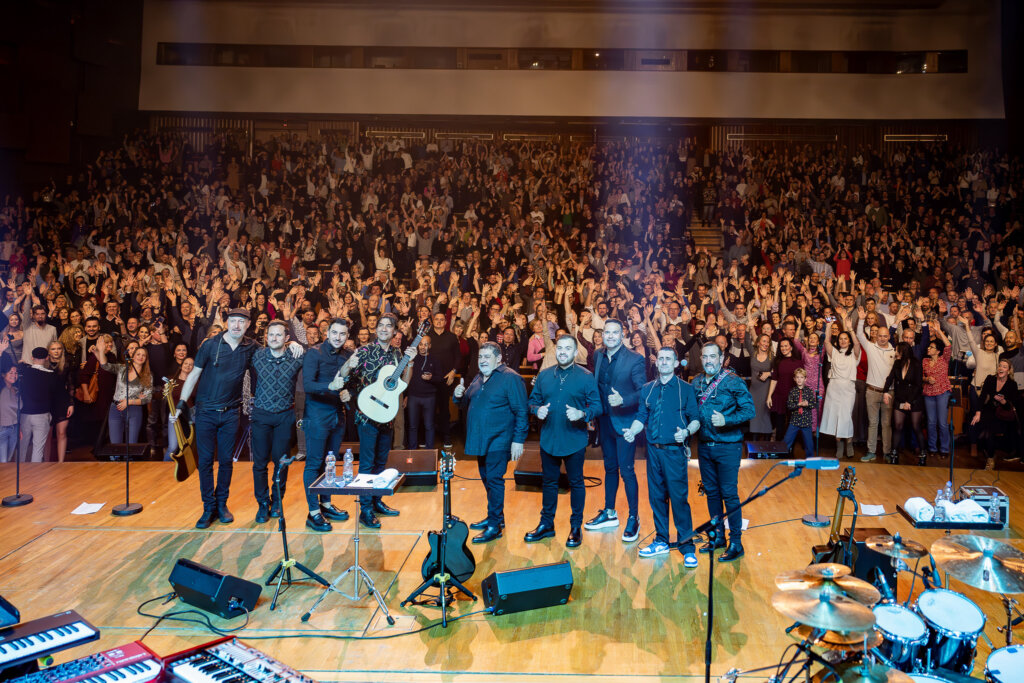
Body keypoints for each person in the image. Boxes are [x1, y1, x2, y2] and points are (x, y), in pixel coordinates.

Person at [172, 308, 303, 529]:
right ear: (226, 322)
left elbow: (275, 346)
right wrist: (182, 403)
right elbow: (194, 373)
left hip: (231, 412)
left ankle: (222, 505)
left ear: (248, 325)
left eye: (241, 322)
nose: (236, 325)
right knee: (204, 463)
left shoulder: (250, 347)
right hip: (205, 412)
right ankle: (208, 508)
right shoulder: (210, 345)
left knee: (226, 462)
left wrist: (293, 344)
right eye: (232, 321)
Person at [623, 347, 702, 566]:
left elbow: (695, 419)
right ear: (656, 363)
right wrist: (632, 430)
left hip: (674, 453)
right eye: (661, 359)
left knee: (678, 499)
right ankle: (661, 540)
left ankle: (687, 546)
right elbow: (641, 417)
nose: (664, 362)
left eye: (669, 359)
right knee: (657, 498)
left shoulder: (685, 389)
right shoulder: (647, 389)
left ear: (676, 363)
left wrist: (686, 432)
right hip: (653, 452)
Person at [525, 335, 602, 548]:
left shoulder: (586, 377)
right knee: (549, 483)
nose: (563, 352)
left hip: (574, 440)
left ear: (575, 352)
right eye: (560, 348)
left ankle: (575, 526)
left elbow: (597, 406)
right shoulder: (544, 376)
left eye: (568, 348)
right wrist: (536, 410)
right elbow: (532, 401)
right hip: (548, 439)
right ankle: (546, 524)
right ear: (555, 350)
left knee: (576, 483)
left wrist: (583, 414)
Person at [340, 313, 416, 529]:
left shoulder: (396, 353)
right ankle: (365, 509)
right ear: (376, 330)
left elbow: (402, 384)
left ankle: (376, 501)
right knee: (366, 463)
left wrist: (409, 364)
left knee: (381, 463)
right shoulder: (364, 351)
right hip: (366, 414)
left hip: (387, 416)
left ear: (394, 332)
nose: (384, 329)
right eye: (380, 325)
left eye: (388, 326)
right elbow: (347, 376)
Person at [453, 341, 528, 543]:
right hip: (481, 439)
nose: (483, 360)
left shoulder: (511, 378)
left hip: (500, 439)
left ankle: (494, 526)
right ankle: (496, 517)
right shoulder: (478, 378)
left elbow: (522, 411)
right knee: (487, 479)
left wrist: (518, 441)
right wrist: (457, 395)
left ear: (498, 359)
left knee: (494, 480)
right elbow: (465, 402)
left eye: (487, 357)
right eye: (480, 357)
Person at [692, 342, 755, 562]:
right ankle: (718, 536)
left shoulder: (733, 381)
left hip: (728, 446)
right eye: (705, 357)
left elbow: (749, 410)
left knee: (729, 494)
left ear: (721, 359)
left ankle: (736, 542)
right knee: (712, 493)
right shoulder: (696, 382)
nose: (709, 360)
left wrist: (727, 420)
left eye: (713, 357)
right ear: (701, 359)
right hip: (704, 446)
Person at [585, 318, 646, 543]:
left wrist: (624, 399)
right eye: (606, 333)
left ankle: (634, 517)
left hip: (625, 423)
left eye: (614, 333)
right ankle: (610, 512)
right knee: (609, 468)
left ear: (623, 335)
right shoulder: (598, 355)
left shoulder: (635, 360)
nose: (610, 336)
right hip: (605, 422)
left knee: (627, 471)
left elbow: (643, 392)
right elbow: (597, 388)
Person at [301, 318, 354, 531]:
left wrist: (347, 392)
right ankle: (313, 513)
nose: (338, 337)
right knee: (314, 464)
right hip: (317, 415)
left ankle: (326, 504)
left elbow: (352, 383)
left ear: (347, 336)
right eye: (335, 333)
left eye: (342, 334)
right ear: (327, 332)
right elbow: (308, 385)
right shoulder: (314, 353)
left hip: (337, 415)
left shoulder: (348, 356)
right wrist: (330, 386)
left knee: (330, 462)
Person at [250, 320, 304, 524]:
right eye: (270, 335)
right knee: (260, 464)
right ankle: (263, 503)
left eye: (279, 335)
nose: (274, 338)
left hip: (284, 415)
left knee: (281, 463)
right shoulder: (257, 355)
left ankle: (277, 502)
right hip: (261, 415)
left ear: (287, 338)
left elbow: (316, 354)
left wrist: (297, 345)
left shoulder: (296, 356)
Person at [94, 338, 152, 445]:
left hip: (134, 411)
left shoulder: (147, 375)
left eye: (143, 355)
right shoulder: (122, 368)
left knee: (131, 445)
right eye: (138, 354)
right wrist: (101, 351)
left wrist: (129, 401)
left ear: (146, 359)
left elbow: (147, 398)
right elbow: (105, 366)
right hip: (116, 409)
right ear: (133, 356)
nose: (140, 357)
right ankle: (116, 461)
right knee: (116, 446)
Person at [857, 313, 897, 463]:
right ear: (876, 336)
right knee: (872, 423)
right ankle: (871, 451)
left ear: (889, 337)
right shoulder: (871, 347)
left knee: (886, 424)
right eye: (879, 335)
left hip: (889, 393)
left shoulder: (894, 351)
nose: (882, 338)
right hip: (872, 391)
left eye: (885, 336)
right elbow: (859, 335)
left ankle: (886, 452)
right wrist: (861, 319)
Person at [820, 320, 861, 459]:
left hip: (848, 389)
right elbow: (826, 342)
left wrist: (850, 329)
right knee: (835, 417)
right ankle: (839, 445)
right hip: (834, 388)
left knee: (846, 417)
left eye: (846, 339)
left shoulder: (854, 354)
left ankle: (849, 442)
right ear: (838, 341)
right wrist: (829, 326)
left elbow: (857, 344)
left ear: (849, 341)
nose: (843, 341)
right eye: (841, 339)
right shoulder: (834, 353)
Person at [971, 359, 1020, 471]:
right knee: (979, 433)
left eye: (1004, 367)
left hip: (1001, 415)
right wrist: (978, 413)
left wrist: (1004, 402)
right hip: (988, 411)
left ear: (1009, 371)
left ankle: (990, 459)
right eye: (1000, 366)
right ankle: (990, 454)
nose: (1001, 368)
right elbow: (982, 397)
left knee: (988, 433)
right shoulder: (990, 379)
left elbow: (1011, 405)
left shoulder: (1012, 384)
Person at [20, 346, 67, 462]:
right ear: (47, 358)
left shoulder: (24, 371)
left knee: (22, 446)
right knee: (38, 448)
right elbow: (58, 395)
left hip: (25, 414)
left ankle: (19, 474)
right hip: (42, 414)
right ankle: (36, 477)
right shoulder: (52, 375)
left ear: (32, 357)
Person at [883, 342, 927, 465]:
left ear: (903, 351)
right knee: (897, 426)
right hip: (900, 399)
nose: (895, 353)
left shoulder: (916, 364)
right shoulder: (897, 363)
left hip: (914, 399)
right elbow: (890, 377)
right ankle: (894, 453)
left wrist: (910, 401)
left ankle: (923, 453)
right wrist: (885, 391)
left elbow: (918, 385)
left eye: (897, 350)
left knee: (916, 426)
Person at [922, 326, 953, 457]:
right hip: (928, 393)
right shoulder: (924, 361)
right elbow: (920, 376)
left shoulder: (944, 359)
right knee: (930, 422)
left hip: (942, 393)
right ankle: (932, 448)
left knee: (942, 422)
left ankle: (945, 449)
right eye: (928, 347)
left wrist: (939, 331)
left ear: (938, 351)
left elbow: (948, 345)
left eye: (931, 347)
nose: (928, 349)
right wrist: (926, 379)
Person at [406, 335, 442, 449]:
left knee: (429, 426)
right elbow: (406, 379)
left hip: (429, 397)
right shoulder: (412, 359)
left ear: (430, 346)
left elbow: (440, 379)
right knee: (412, 426)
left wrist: (431, 378)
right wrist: (406, 396)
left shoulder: (435, 360)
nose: (422, 346)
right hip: (413, 397)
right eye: (421, 344)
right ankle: (412, 452)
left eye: (425, 344)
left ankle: (429, 454)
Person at [784, 368, 816, 458]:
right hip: (795, 421)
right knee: (787, 441)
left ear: (805, 379)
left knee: (809, 444)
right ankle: (781, 458)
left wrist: (807, 404)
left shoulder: (809, 391)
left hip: (806, 422)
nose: (799, 379)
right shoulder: (792, 391)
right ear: (794, 379)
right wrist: (798, 404)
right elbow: (789, 405)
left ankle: (810, 461)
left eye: (801, 377)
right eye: (797, 377)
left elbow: (813, 404)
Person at [0, 358, 18, 463]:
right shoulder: (1, 388)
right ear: (3, 375)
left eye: (16, 373)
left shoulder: (16, 390)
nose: (14, 375)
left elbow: (17, 412)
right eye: (11, 372)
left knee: (8, 459)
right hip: (2, 428)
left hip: (14, 428)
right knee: (3, 461)